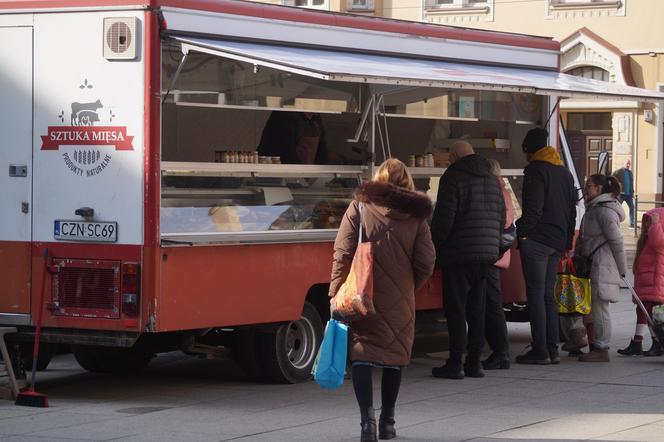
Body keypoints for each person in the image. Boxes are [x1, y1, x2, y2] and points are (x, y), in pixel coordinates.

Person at [329, 158, 435, 442]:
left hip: (364, 293)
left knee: (362, 354)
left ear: (378, 178)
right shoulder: (417, 216)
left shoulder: (360, 206)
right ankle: (389, 421)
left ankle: (368, 424)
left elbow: (343, 251)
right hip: (400, 295)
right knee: (393, 357)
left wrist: (336, 290)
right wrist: (410, 285)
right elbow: (427, 260)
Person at [430, 141, 505, 379]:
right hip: (486, 255)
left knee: (456, 310)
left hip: (459, 254)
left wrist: (434, 249)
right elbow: (501, 216)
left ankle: (455, 363)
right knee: (476, 310)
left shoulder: (453, 176)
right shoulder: (492, 179)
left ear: (453, 156)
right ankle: (474, 363)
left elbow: (444, 219)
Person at [515, 127, 576, 365]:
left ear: (528, 150)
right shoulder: (564, 173)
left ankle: (540, 349)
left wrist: (523, 232)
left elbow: (533, 209)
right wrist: (568, 241)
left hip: (538, 241)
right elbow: (572, 212)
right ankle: (552, 349)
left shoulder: (535, 170)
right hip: (557, 241)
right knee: (548, 296)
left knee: (536, 295)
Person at [575, 174, 627, 362]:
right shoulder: (595, 208)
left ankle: (602, 348)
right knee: (592, 307)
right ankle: (594, 345)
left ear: (598, 189)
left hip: (602, 264)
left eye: (589, 185)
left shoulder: (604, 211)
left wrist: (622, 269)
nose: (585, 189)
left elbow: (617, 242)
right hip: (594, 263)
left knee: (600, 308)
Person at [618, 207, 664, 357]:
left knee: (650, 313)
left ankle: (656, 342)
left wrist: (656, 225)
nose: (646, 225)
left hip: (653, 281)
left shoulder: (657, 235)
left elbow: (658, 243)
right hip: (646, 281)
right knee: (642, 311)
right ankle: (637, 342)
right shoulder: (646, 237)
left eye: (649, 222)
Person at [482, 159, 515, 370]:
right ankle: (499, 350)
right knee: (491, 303)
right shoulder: (503, 191)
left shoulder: (495, 193)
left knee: (492, 304)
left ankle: (500, 352)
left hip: (491, 254)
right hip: (498, 253)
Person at [257, 112, 327, 164]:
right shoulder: (284, 114)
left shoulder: (316, 120)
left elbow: (322, 151)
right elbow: (286, 153)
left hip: (303, 173)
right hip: (276, 170)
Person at [612, 159, 635, 228]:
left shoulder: (630, 172)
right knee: (617, 208)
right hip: (621, 194)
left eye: (629, 164)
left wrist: (632, 192)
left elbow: (631, 183)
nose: (628, 165)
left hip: (629, 195)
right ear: (623, 163)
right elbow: (612, 178)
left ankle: (632, 223)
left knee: (632, 207)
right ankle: (615, 221)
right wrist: (616, 188)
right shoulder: (618, 171)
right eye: (627, 163)